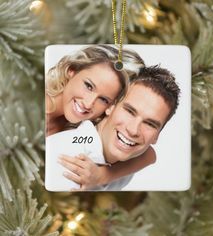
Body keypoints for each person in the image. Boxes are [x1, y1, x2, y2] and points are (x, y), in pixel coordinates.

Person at [45, 45, 156, 189]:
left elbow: (149, 154)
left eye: (104, 99)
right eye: (88, 86)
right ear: (71, 70)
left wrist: (102, 175)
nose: (88, 103)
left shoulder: (83, 130)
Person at [57, 65, 180, 190]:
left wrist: (103, 176)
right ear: (111, 106)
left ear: (157, 136)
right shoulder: (68, 160)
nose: (133, 130)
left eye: (150, 124)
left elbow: (150, 155)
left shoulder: (128, 160)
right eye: (129, 111)